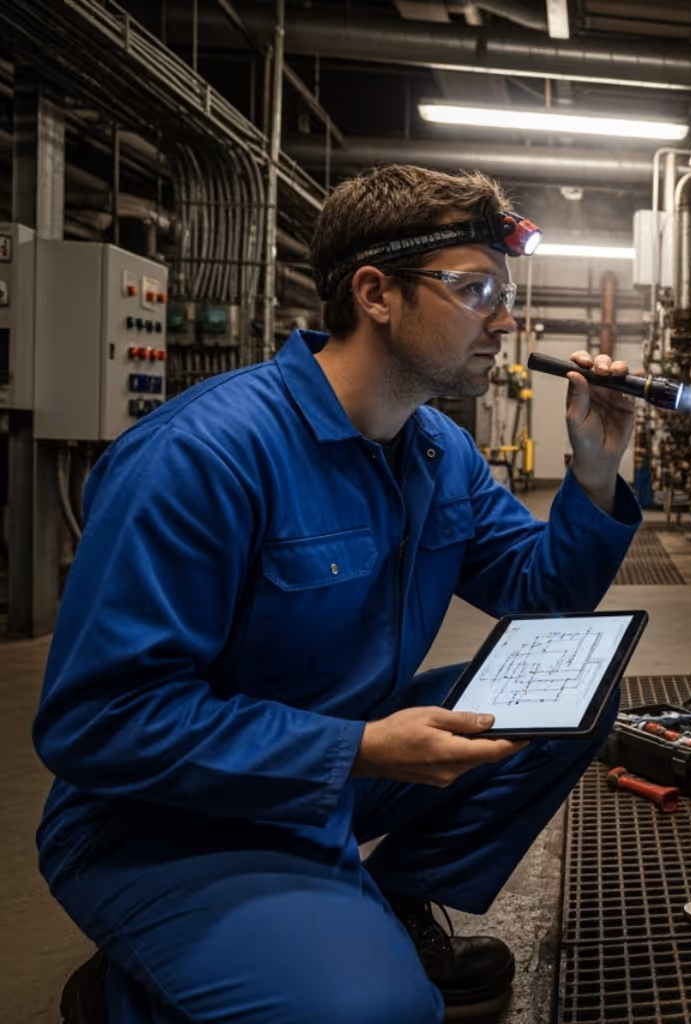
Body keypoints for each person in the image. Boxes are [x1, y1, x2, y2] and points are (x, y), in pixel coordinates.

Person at [34, 165, 641, 1023]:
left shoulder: (435, 451)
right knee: (381, 1015)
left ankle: (383, 908)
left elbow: (543, 596)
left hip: (335, 771)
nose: (504, 321)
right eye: (474, 290)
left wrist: (595, 470)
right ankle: (138, 992)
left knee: (575, 687)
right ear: (375, 293)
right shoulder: (203, 457)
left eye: (503, 294)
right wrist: (355, 747)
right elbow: (97, 723)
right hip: (164, 819)